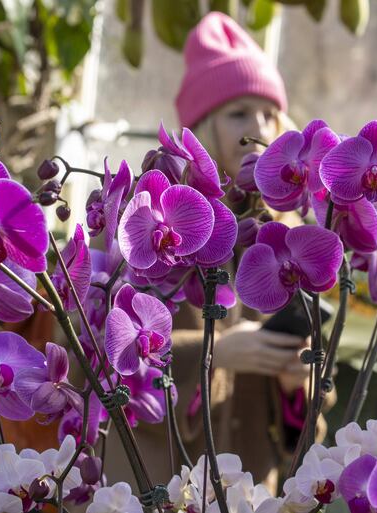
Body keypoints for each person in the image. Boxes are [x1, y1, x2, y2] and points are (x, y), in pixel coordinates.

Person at [104, 12, 331, 494]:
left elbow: (304, 431)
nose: (258, 127)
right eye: (238, 113)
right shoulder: (153, 231)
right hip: (162, 482)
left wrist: (296, 385)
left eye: (269, 113)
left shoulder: (287, 234)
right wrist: (215, 353)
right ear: (201, 126)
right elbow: (107, 359)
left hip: (250, 488)